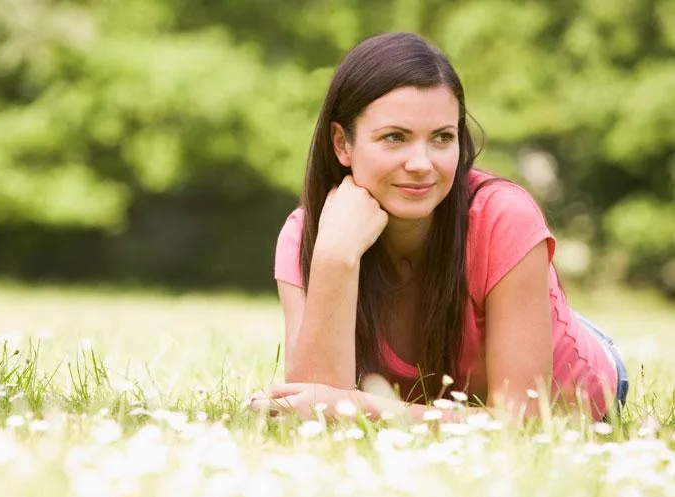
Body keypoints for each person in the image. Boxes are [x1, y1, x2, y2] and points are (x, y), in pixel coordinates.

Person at [250, 32, 628, 423]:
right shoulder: (307, 236)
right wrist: (334, 258)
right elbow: (314, 410)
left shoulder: (503, 217)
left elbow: (523, 425)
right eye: (394, 138)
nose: (421, 163)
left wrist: (366, 408)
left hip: (583, 377)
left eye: (442, 138)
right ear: (342, 144)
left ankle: (550, 313)